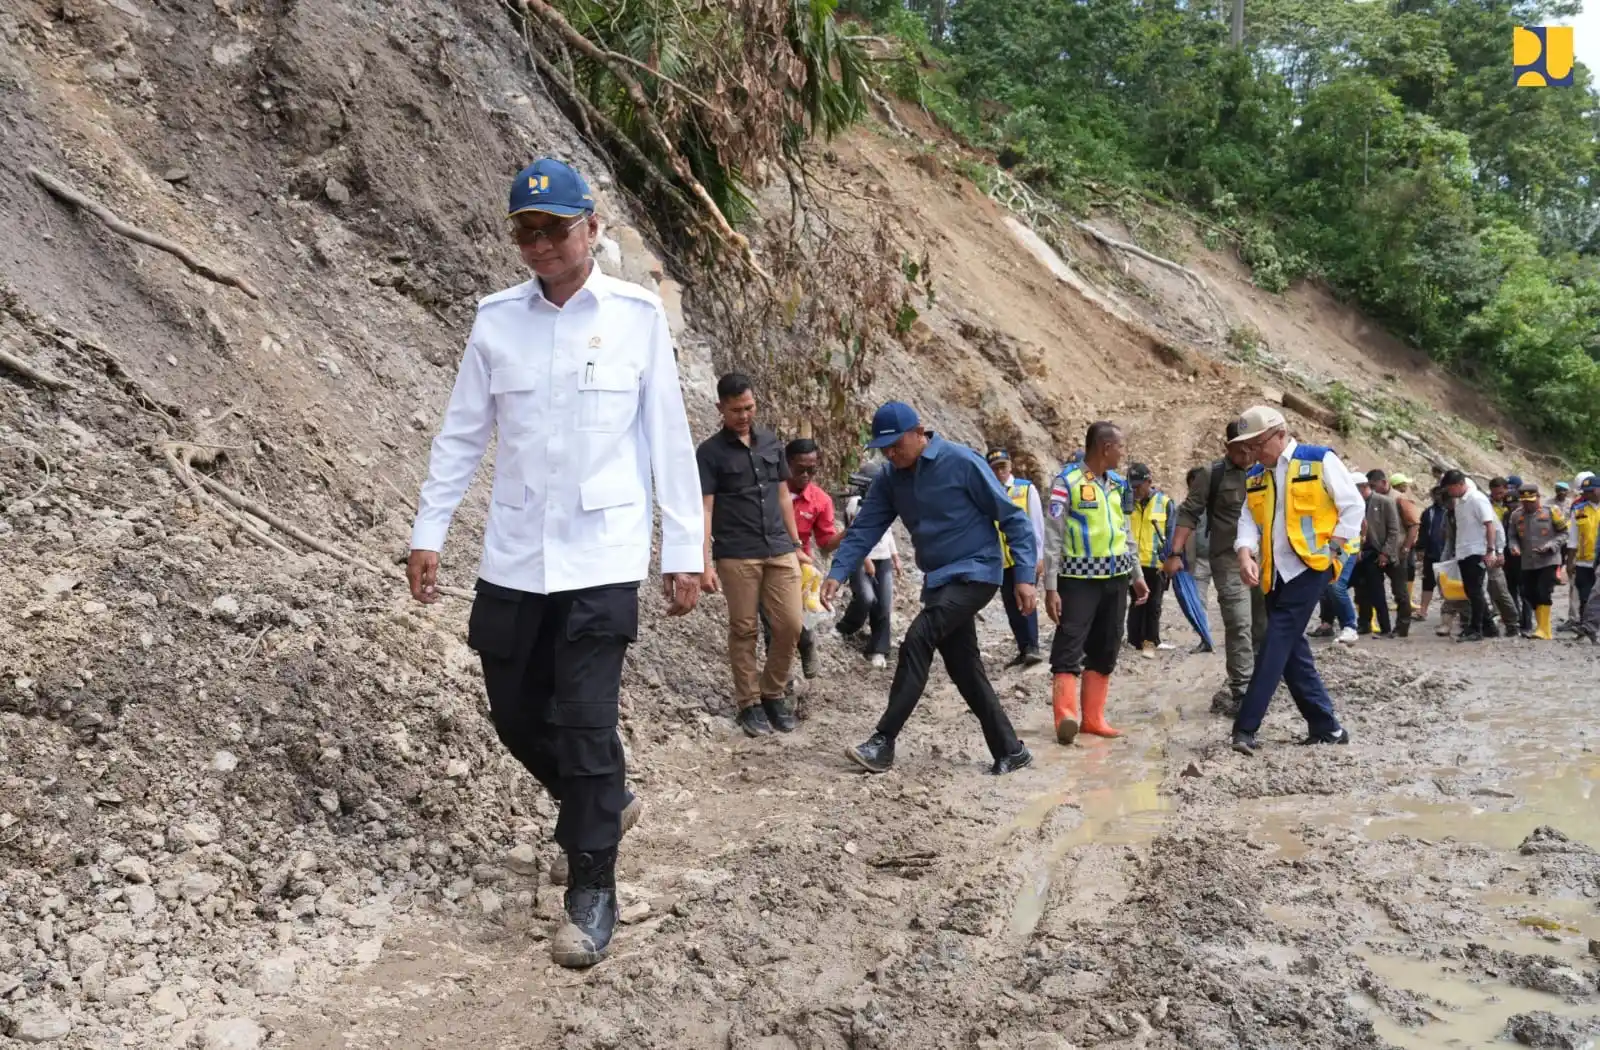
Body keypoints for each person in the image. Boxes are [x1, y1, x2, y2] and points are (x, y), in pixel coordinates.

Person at [406, 158, 704, 969]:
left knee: (583, 716)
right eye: (525, 231)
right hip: (513, 552)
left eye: (554, 229)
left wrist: (683, 552)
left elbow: (667, 442)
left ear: (591, 230)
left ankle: (592, 885)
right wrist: (428, 530)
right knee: (511, 713)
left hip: (601, 555)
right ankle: (604, 798)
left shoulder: (639, 319)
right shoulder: (497, 321)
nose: (538, 244)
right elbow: (463, 433)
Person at [820, 402, 1035, 776]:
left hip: (977, 572)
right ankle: (1010, 750)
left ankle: (883, 741)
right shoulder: (889, 478)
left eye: (896, 444)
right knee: (964, 666)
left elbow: (1012, 517)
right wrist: (837, 572)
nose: (890, 453)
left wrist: (1026, 576)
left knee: (918, 638)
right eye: (883, 447)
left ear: (919, 433)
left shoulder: (961, 461)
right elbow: (864, 529)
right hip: (938, 580)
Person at [1227, 406, 1364, 755]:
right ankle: (1327, 727)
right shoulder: (1257, 475)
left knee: (1275, 643)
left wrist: (1334, 549)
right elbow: (1247, 520)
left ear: (1280, 434)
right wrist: (1245, 554)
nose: (1253, 454)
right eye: (1249, 448)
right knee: (1292, 654)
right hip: (1274, 573)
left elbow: (1352, 506)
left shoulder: (1318, 460)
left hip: (1311, 566)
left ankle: (1245, 727)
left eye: (1257, 445)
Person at [696, 373, 806, 737]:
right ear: (720, 409)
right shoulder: (710, 453)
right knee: (744, 629)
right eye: (736, 410)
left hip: (777, 547)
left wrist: (796, 545)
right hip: (737, 553)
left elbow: (782, 497)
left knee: (790, 624)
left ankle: (773, 692)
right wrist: (705, 562)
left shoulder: (772, 443)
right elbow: (706, 509)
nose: (744, 415)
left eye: (749, 407)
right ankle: (749, 703)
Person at [1044, 421, 1150, 744]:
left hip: (1116, 580)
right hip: (1078, 581)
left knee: (1107, 645)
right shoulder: (1067, 482)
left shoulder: (1118, 485)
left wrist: (1137, 575)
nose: (1122, 453)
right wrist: (1050, 586)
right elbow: (1053, 535)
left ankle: (1093, 718)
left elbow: (1124, 532)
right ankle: (1066, 716)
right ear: (1105, 448)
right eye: (1119, 447)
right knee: (1069, 644)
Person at [1166, 420, 1257, 713]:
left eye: (1250, 444)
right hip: (1228, 561)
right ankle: (1242, 691)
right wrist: (1175, 553)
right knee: (1239, 621)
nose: (1247, 452)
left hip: (1267, 561)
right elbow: (1188, 513)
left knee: (1267, 623)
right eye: (1240, 447)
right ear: (1228, 446)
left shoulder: (1266, 471)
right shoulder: (1211, 475)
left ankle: (1265, 681)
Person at [772, 437, 842, 679]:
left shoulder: (820, 501)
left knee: (791, 622)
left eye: (812, 470)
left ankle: (805, 643)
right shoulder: (769, 492)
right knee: (772, 625)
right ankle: (781, 683)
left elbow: (825, 544)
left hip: (799, 569)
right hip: (765, 559)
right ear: (786, 464)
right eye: (800, 469)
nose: (806, 475)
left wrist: (849, 532)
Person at [987, 448, 1046, 667]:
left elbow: (1037, 524)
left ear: (1010, 466)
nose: (999, 472)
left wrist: (1039, 556)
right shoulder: (989, 491)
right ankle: (1023, 647)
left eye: (1002, 467)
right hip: (1002, 559)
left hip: (1024, 557)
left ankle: (1032, 647)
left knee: (1026, 602)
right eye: (995, 469)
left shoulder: (1025, 489)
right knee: (1011, 604)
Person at [836, 469, 901, 667]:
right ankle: (846, 627)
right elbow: (855, 534)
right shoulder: (855, 503)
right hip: (860, 558)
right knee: (866, 597)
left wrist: (895, 557)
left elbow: (887, 532)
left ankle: (878, 649)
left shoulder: (886, 501)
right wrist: (866, 560)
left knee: (883, 603)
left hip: (883, 559)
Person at [1443, 470, 1500, 642]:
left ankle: (1476, 628)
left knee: (1475, 591)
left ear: (1460, 484)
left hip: (1477, 551)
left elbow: (1489, 525)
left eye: (1450, 488)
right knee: (1470, 590)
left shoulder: (1476, 499)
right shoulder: (1459, 502)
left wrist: (1490, 550)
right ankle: (1489, 626)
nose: (1449, 492)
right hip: (1464, 551)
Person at [1505, 483, 1567, 639]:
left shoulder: (1552, 511)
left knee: (1543, 591)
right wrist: (1514, 547)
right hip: (1527, 561)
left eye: (1531, 500)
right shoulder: (1516, 515)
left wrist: (1551, 545)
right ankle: (1542, 627)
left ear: (1538, 497)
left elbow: (1564, 533)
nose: (1528, 504)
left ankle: (1544, 629)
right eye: (1525, 501)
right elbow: (1512, 536)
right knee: (1529, 593)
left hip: (1549, 559)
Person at [1125, 463, 1173, 657]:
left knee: (1153, 604)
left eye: (1138, 486)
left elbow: (1171, 532)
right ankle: (1132, 641)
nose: (1135, 490)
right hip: (1133, 564)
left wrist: (1170, 559)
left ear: (1149, 482)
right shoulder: (1126, 504)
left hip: (1156, 564)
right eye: (1132, 486)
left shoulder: (1165, 503)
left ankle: (1150, 642)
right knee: (1136, 603)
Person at [1360, 468, 1412, 637]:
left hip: (1394, 553)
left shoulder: (1392, 500)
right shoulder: (1362, 503)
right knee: (1372, 591)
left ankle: (1402, 627)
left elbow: (1395, 529)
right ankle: (1382, 626)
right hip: (1371, 554)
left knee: (1400, 592)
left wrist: (1392, 551)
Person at [1567, 476, 1599, 631]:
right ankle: (1584, 626)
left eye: (1590, 491)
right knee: (1585, 595)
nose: (1586, 494)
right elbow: (1573, 537)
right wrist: (1570, 561)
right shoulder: (1579, 510)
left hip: (1598, 561)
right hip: (1583, 561)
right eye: (1585, 492)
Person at [1417, 485, 1450, 624]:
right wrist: (1420, 549)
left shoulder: (1452, 511)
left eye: (1440, 494)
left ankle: (1451, 614)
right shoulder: (1428, 512)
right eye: (1435, 494)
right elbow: (1423, 532)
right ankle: (1423, 610)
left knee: (1448, 584)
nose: (1438, 497)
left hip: (1448, 554)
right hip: (1431, 553)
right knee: (1428, 582)